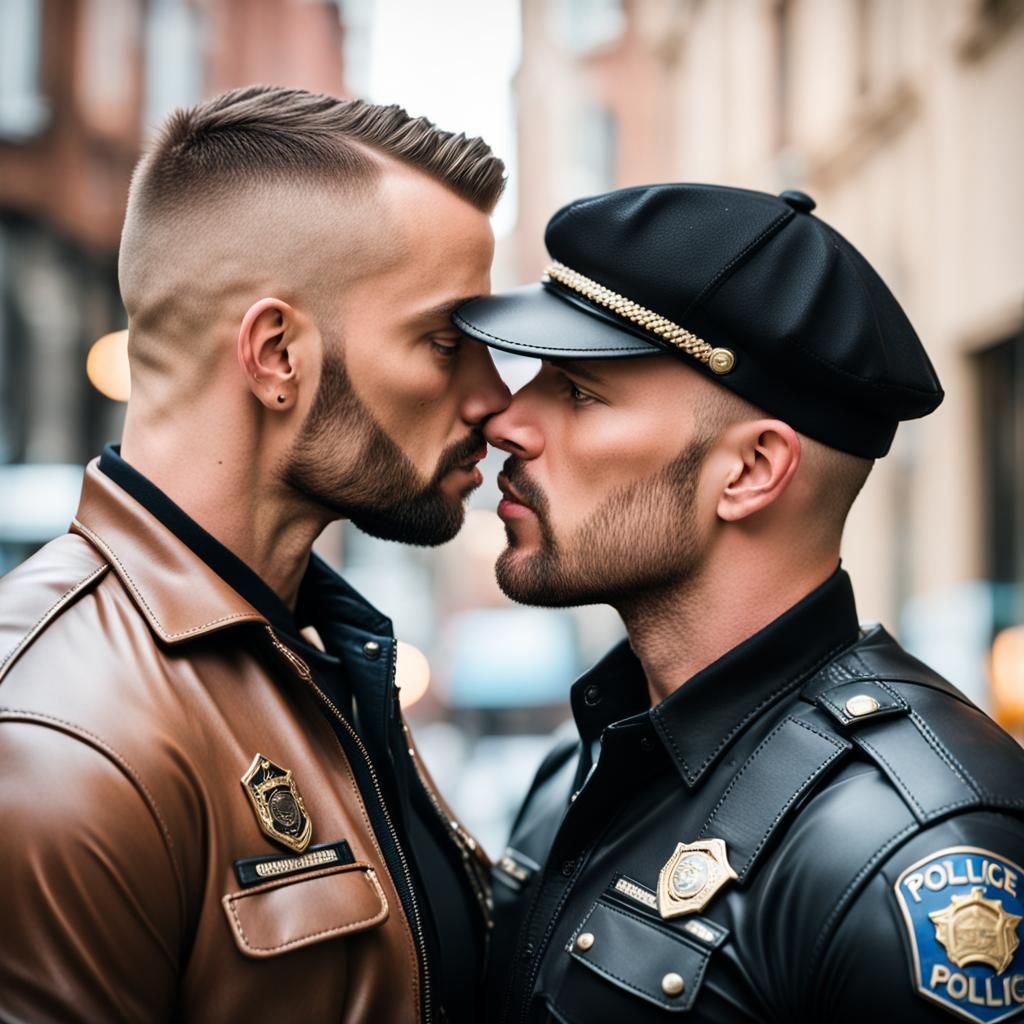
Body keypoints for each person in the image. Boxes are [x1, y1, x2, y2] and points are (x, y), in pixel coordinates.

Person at [453, 183, 1024, 1023]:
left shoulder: (912, 846)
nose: (508, 420)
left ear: (751, 471)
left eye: (578, 391)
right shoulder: (582, 768)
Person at [0, 85, 511, 1023]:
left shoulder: (322, 658)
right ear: (276, 354)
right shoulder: (57, 737)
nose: (495, 400)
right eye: (447, 342)